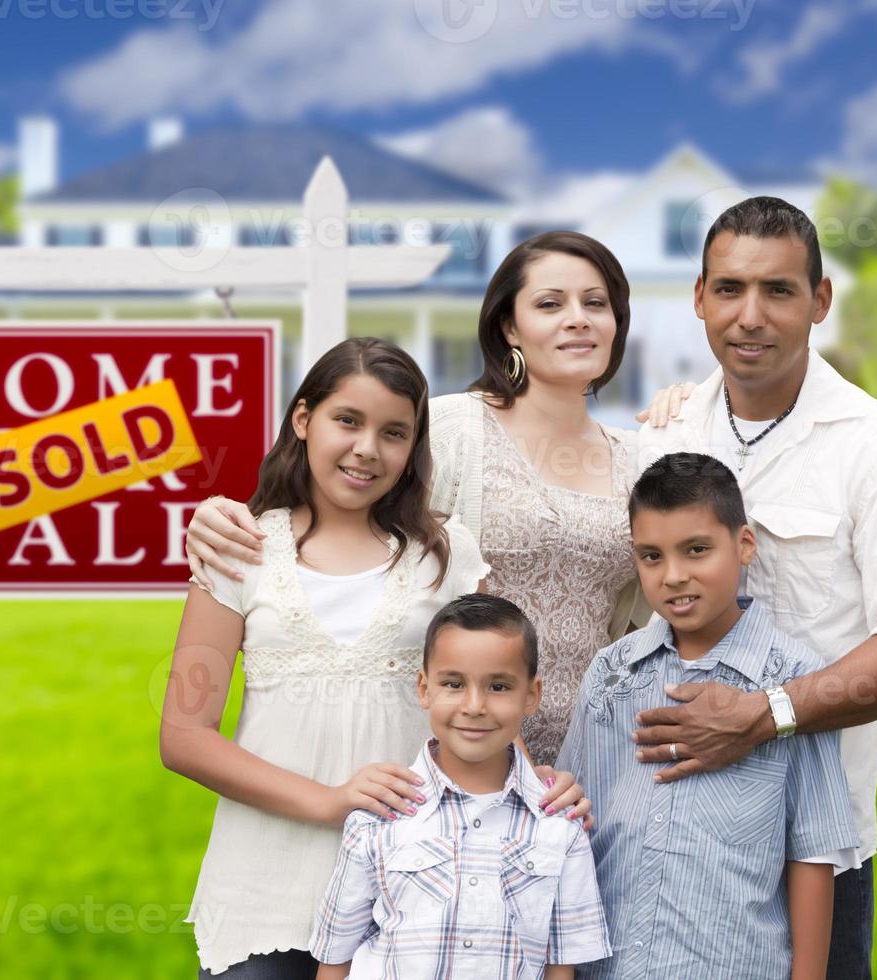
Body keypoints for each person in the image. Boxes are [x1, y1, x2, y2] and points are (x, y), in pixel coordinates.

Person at [160, 338, 586, 978]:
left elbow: (482, 701)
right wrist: (329, 800)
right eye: (347, 421)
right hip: (264, 887)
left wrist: (544, 792)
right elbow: (183, 737)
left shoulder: (444, 555)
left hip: (413, 891)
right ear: (304, 421)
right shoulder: (241, 546)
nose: (367, 449)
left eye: (394, 433)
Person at [628, 197, 877, 978]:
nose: (750, 316)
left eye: (778, 290)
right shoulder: (664, 436)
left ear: (820, 301)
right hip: (664, 836)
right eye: (729, 289)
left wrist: (764, 716)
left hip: (813, 848)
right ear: (699, 298)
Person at [185, 231, 646, 768]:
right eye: (550, 304)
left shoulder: (642, 457)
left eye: (596, 303)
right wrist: (224, 513)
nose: (578, 319)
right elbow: (347, 508)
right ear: (509, 327)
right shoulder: (452, 429)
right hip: (446, 758)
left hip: (594, 758)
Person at [558, 452, 859, 979]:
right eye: (651, 557)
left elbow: (812, 853)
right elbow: (570, 827)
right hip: (610, 964)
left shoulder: (794, 680)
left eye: (696, 550)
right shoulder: (611, 673)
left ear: (744, 545)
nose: (674, 576)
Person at [310, 594, 611, 979]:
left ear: (531, 695)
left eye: (499, 687)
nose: (474, 706)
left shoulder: (561, 826)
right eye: (453, 683)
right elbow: (335, 959)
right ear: (424, 689)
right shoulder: (378, 818)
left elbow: (560, 968)